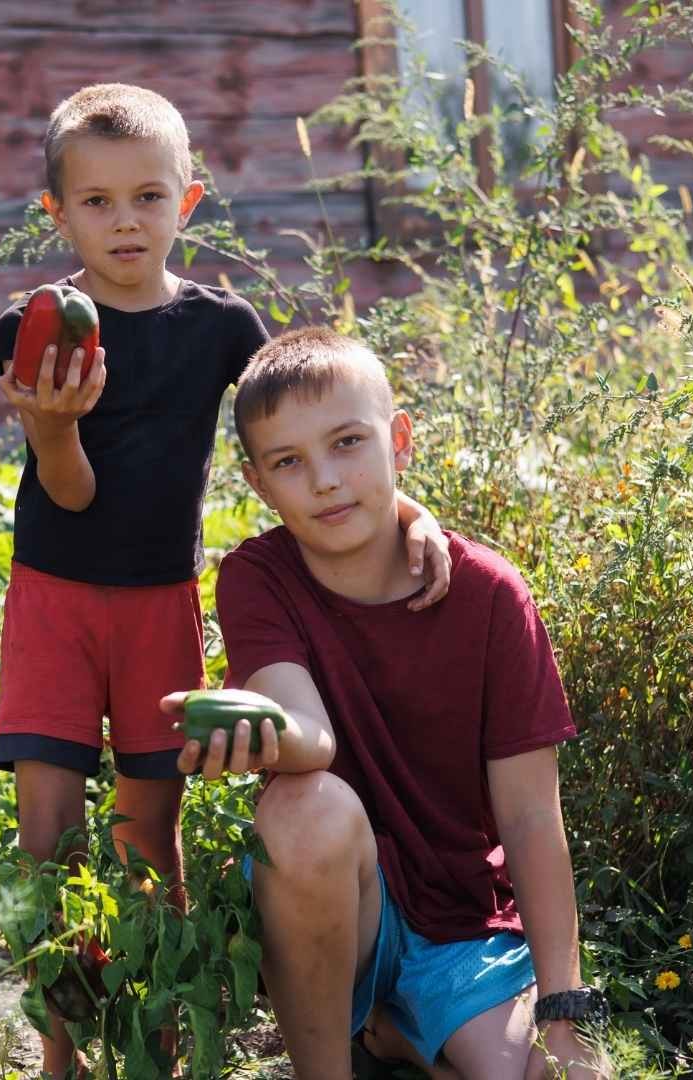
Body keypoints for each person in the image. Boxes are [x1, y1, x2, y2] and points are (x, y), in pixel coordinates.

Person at [0, 86, 456, 1079]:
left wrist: (409, 513)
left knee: (149, 834)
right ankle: (61, 1055)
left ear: (188, 201)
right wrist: (53, 427)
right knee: (50, 839)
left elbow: (297, 429)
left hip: (162, 600)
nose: (126, 221)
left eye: (149, 196)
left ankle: (158, 1038)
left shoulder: (221, 328)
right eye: (99, 202)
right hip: (54, 600)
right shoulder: (38, 327)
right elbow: (68, 499)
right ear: (57, 214)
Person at [166, 327, 607, 1079]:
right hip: (343, 907)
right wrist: (258, 728)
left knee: (546, 1077)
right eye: (289, 463)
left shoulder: (491, 595)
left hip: (462, 920)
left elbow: (532, 817)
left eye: (347, 443)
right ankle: (330, 1064)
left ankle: (397, 1031)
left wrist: (566, 1010)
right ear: (258, 484)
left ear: (399, 441)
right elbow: (310, 738)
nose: (326, 480)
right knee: (305, 809)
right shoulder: (258, 580)